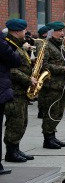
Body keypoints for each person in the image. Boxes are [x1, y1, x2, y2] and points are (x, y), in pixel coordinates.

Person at [39, 21, 65, 149]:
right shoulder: (46, 46)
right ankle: (48, 139)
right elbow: (44, 65)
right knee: (50, 112)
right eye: (59, 31)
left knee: (58, 113)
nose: (62, 33)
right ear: (52, 32)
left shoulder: (59, 45)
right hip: (51, 85)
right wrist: (62, 68)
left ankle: (52, 135)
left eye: (62, 30)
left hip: (61, 85)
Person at [3, 19, 28, 166]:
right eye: (24, 30)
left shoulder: (18, 46)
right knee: (15, 122)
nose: (26, 32)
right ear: (17, 31)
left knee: (22, 121)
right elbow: (11, 70)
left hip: (21, 91)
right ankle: (10, 152)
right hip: (14, 90)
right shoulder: (9, 45)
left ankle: (16, 149)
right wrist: (28, 79)